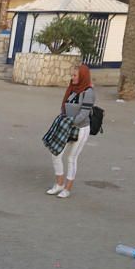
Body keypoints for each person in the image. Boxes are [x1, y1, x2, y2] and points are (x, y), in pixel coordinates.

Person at [47, 64, 95, 199]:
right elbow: (65, 106)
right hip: (67, 127)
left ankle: (67, 188)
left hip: (80, 130)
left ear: (82, 77)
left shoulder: (88, 92)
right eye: (72, 75)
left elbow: (84, 114)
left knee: (71, 158)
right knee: (56, 154)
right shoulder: (72, 89)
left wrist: (70, 122)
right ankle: (59, 184)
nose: (72, 77)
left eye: (75, 75)